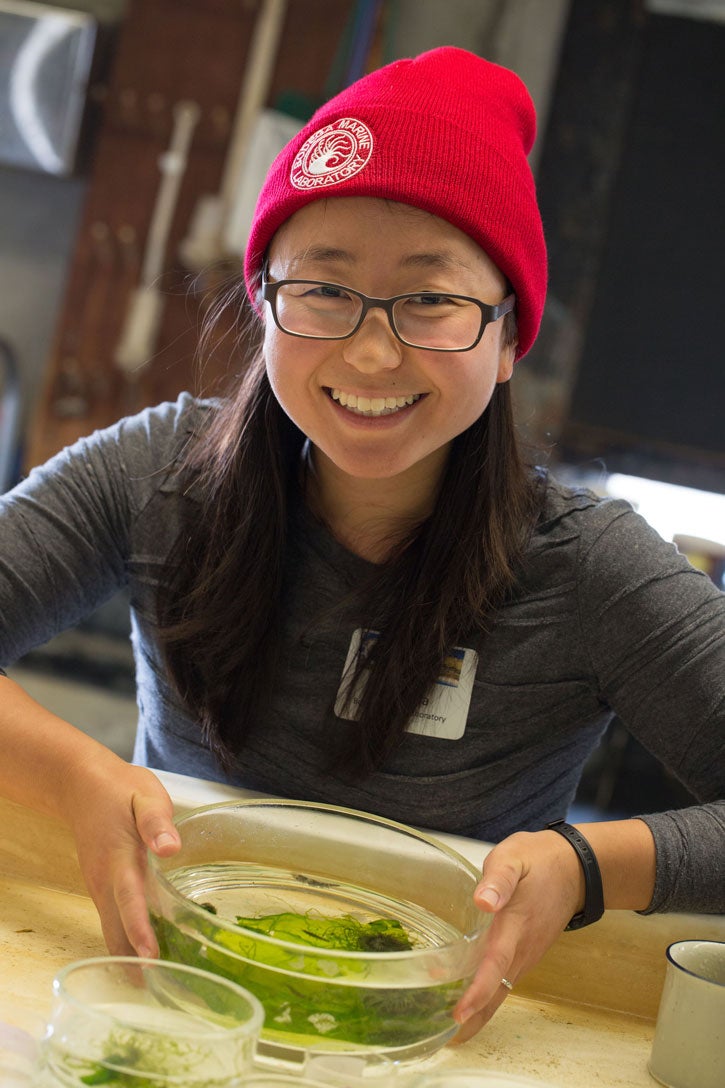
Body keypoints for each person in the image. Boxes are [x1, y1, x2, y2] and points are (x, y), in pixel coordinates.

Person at [0, 46, 723, 1043]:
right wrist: (77, 777)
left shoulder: (589, 567)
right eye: (324, 289)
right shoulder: (158, 473)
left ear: (508, 336)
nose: (371, 351)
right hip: (167, 1004)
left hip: (430, 1039)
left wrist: (586, 865)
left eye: (430, 299)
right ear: (262, 300)